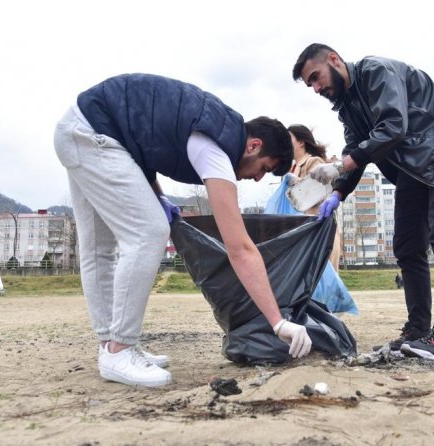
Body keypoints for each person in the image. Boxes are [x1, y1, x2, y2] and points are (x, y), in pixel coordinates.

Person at [54, 73, 312, 388]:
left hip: (86, 128)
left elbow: (143, 142)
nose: (259, 179)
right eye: (265, 168)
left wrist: (158, 197)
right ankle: (118, 349)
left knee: (99, 248)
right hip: (92, 134)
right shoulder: (219, 149)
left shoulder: (218, 127)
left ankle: (114, 346)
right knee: (148, 232)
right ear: (253, 145)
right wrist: (278, 322)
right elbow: (240, 248)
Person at [293, 44, 434, 367]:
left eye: (316, 77)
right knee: (406, 245)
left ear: (334, 60)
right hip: (413, 167)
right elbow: (356, 146)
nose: (317, 88)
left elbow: (393, 126)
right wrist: (338, 192)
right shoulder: (348, 107)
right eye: (311, 85)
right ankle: (419, 330)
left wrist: (342, 165)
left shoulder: (376, 72)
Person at [288, 124, 341, 271]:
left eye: (289, 138)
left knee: (321, 278)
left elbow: (320, 190)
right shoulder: (294, 167)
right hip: (304, 231)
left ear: (301, 142)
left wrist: (295, 182)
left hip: (319, 229)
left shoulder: (313, 161)